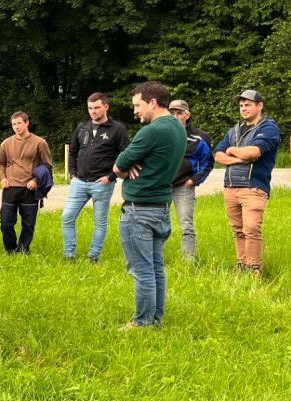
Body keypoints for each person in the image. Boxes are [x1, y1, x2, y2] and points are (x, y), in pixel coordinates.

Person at [112, 81, 187, 329]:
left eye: (137, 105)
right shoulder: (177, 127)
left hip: (139, 210)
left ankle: (142, 323)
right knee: (155, 268)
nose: (135, 111)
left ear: (153, 103)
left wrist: (126, 168)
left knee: (142, 270)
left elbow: (117, 167)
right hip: (161, 207)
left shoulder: (152, 131)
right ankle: (155, 320)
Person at [214, 89, 281, 274]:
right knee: (237, 229)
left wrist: (232, 150)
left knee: (251, 228)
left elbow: (254, 152)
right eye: (241, 105)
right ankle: (242, 265)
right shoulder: (233, 130)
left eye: (248, 105)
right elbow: (218, 155)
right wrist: (238, 157)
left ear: (259, 106)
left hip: (253, 187)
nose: (243, 109)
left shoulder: (268, 128)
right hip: (230, 187)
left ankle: (254, 269)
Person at [61, 93, 130, 263]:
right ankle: (69, 255)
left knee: (100, 222)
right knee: (67, 217)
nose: (93, 111)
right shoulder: (82, 127)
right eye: (90, 108)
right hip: (79, 182)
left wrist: (111, 177)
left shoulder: (118, 129)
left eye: (97, 107)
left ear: (106, 107)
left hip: (102, 183)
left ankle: (94, 257)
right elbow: (73, 152)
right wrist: (73, 174)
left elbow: (126, 156)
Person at [0, 112, 52, 254]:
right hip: (10, 187)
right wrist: (2, 177)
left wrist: (36, 180)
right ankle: (10, 250)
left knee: (28, 223)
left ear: (27, 123)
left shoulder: (40, 143)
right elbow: (0, 163)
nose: (17, 127)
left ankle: (23, 250)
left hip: (29, 188)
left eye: (19, 123)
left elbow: (47, 166)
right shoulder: (6, 143)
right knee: (6, 223)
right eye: (14, 124)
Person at [166, 100, 214, 263]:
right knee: (157, 224)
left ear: (188, 115)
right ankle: (155, 260)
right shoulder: (162, 133)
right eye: (172, 113)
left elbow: (208, 162)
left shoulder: (200, 137)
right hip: (162, 186)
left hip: (183, 187)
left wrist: (193, 181)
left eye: (179, 113)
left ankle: (189, 262)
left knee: (186, 226)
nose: (176, 116)